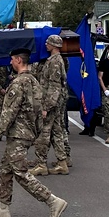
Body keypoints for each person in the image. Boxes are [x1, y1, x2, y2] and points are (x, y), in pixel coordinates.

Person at [0, 47, 67, 217]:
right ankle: (3, 209)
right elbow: (40, 110)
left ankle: (52, 201)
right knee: (5, 170)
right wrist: (36, 131)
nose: (10, 63)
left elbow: (9, 112)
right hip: (28, 132)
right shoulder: (34, 82)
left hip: (18, 134)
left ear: (18, 60)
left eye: (12, 60)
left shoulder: (18, 83)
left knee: (20, 173)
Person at [30, 34, 69, 176]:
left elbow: (54, 86)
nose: (46, 44)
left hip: (50, 104)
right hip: (54, 103)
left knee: (43, 133)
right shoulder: (54, 60)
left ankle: (41, 164)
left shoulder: (54, 62)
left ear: (54, 45)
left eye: (48, 43)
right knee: (57, 132)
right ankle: (62, 162)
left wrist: (46, 107)